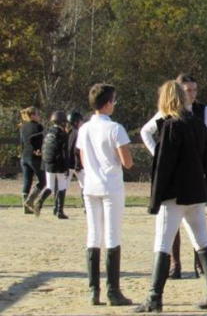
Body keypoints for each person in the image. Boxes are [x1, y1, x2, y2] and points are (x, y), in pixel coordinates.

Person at [135, 81, 207, 313]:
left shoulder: (171, 127)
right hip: (196, 192)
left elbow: (163, 168)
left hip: (174, 194)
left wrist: (155, 200)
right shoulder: (198, 125)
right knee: (203, 241)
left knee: (162, 244)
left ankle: (154, 298)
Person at [141, 74, 207, 279]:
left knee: (172, 237)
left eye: (194, 90)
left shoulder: (199, 113)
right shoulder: (166, 118)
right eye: (187, 90)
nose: (191, 94)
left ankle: (156, 295)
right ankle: (180, 267)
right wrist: (157, 152)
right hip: (186, 181)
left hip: (185, 181)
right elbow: (145, 132)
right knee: (190, 234)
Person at [77, 83, 133, 306]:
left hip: (90, 186)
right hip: (111, 186)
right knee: (112, 235)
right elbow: (127, 162)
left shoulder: (84, 129)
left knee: (93, 235)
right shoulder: (115, 128)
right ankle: (113, 290)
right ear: (108, 103)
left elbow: (82, 159)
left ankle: (94, 290)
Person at [34, 111, 69, 219]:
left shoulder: (46, 132)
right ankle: (59, 211)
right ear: (62, 122)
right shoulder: (63, 134)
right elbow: (64, 152)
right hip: (59, 164)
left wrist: (37, 149)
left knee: (50, 186)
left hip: (47, 163)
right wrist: (66, 167)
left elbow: (32, 138)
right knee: (62, 187)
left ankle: (40, 201)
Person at [20, 107, 46, 215]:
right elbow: (39, 140)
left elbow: (21, 142)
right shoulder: (38, 127)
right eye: (38, 114)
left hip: (24, 156)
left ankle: (25, 206)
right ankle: (30, 200)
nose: (39, 116)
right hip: (34, 156)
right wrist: (38, 150)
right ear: (33, 115)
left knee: (27, 181)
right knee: (43, 180)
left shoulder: (23, 127)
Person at [66, 112, 86, 211]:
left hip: (68, 164)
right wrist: (78, 164)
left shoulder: (69, 132)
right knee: (85, 186)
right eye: (81, 121)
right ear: (77, 122)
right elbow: (76, 150)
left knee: (63, 186)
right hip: (77, 164)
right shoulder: (79, 133)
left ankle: (57, 208)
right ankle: (86, 207)